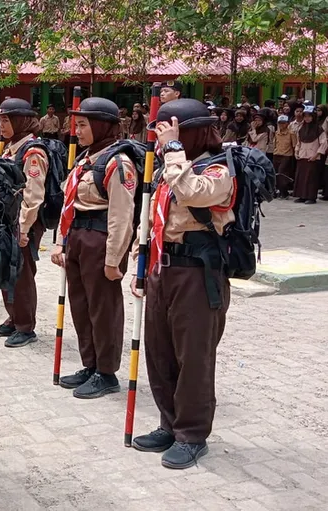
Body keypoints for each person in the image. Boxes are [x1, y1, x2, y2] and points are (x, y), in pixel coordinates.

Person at [130, 99, 233, 470]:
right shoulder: (166, 170)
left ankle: (192, 434)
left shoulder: (220, 169)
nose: (163, 139)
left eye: (171, 132)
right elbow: (152, 219)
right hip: (164, 267)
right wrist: (142, 268)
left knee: (194, 358)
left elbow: (193, 192)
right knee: (160, 352)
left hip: (197, 273)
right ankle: (169, 423)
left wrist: (174, 151)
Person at [51, 97, 135, 399]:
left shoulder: (118, 163)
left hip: (100, 240)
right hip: (78, 237)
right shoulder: (86, 159)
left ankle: (107, 371)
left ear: (100, 126)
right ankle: (90, 363)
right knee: (81, 305)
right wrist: (61, 242)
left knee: (103, 308)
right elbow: (68, 203)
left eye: (83, 125)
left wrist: (114, 259)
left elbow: (122, 215)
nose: (77, 131)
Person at [0, 98, 47, 348]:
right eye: (0, 120)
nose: (2, 125)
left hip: (24, 221)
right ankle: (13, 318)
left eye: (7, 120)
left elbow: (33, 195)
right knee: (7, 270)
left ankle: (25, 325)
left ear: (21, 121)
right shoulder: (11, 149)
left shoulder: (33, 152)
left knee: (22, 273)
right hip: (7, 220)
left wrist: (24, 228)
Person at [293, 105, 327, 204]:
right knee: (301, 176)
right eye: (305, 116)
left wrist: (316, 155)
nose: (307, 118)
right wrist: (296, 152)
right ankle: (302, 196)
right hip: (302, 155)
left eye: (309, 116)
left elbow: (324, 143)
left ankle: (311, 197)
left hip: (313, 157)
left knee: (311, 178)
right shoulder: (301, 129)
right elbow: (298, 142)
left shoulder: (319, 129)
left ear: (313, 117)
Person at [273, 115, 296, 199]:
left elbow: (294, 145)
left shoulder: (291, 133)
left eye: (283, 123)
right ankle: (279, 191)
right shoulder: (276, 133)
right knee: (276, 173)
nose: (281, 125)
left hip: (287, 155)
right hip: (276, 154)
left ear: (287, 123)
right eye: (280, 123)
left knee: (282, 173)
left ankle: (284, 191)